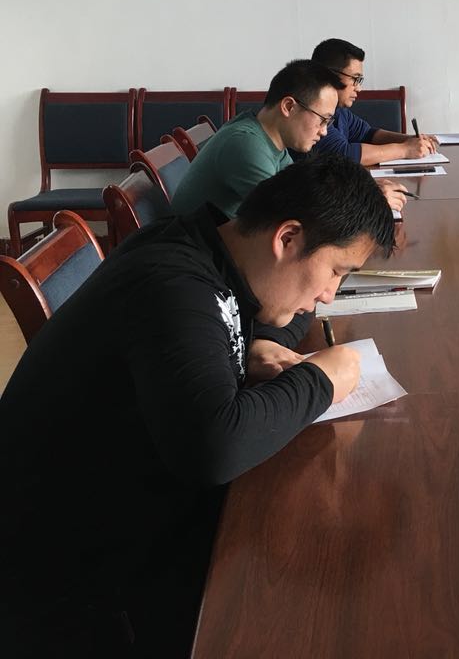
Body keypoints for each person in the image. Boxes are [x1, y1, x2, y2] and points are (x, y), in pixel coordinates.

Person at [0, 154, 397, 655]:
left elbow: (269, 319)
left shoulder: (214, 252)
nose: (329, 297)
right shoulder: (172, 281)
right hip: (68, 586)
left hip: (128, 529)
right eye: (335, 272)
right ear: (288, 238)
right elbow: (213, 448)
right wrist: (320, 380)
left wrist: (252, 347)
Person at [171, 58, 409, 215]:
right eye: (322, 120)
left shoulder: (271, 139)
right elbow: (293, 216)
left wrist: (363, 189)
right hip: (201, 262)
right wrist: (368, 201)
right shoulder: (244, 144)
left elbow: (303, 189)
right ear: (288, 107)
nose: (324, 131)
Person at [309, 37, 439, 164]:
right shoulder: (313, 113)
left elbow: (368, 134)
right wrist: (405, 149)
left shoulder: (340, 111)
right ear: (330, 75)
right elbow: (345, 154)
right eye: (355, 79)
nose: (359, 88)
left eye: (359, 80)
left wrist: (410, 140)